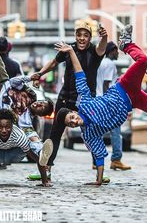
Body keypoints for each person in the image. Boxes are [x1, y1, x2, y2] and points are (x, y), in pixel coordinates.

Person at [53, 25, 147, 185]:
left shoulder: (83, 101)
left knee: (143, 60)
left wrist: (70, 51)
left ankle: (126, 44)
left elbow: (79, 73)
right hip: (132, 102)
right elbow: (98, 156)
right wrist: (98, 181)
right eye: (71, 124)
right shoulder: (88, 135)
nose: (74, 121)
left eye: (72, 117)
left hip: (124, 87)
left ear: (74, 112)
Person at [30, 21, 107, 177]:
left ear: (90, 37)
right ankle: (47, 169)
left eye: (85, 35)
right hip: (65, 97)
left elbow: (101, 48)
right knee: (55, 133)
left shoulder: (94, 51)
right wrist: (40, 74)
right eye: (79, 35)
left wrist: (104, 38)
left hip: (86, 100)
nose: (82, 38)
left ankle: (99, 169)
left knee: (92, 133)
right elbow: (53, 63)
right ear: (75, 36)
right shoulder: (68, 48)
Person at [0, 36, 24, 169]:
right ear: (7, 48)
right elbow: (20, 83)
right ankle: (6, 158)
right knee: (9, 129)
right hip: (10, 102)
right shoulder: (14, 64)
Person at [96, 41, 131, 171]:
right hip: (108, 101)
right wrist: (109, 102)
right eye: (116, 50)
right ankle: (116, 159)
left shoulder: (100, 63)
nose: (118, 53)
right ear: (111, 51)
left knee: (97, 131)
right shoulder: (110, 64)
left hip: (98, 100)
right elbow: (106, 84)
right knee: (116, 131)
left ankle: (96, 159)